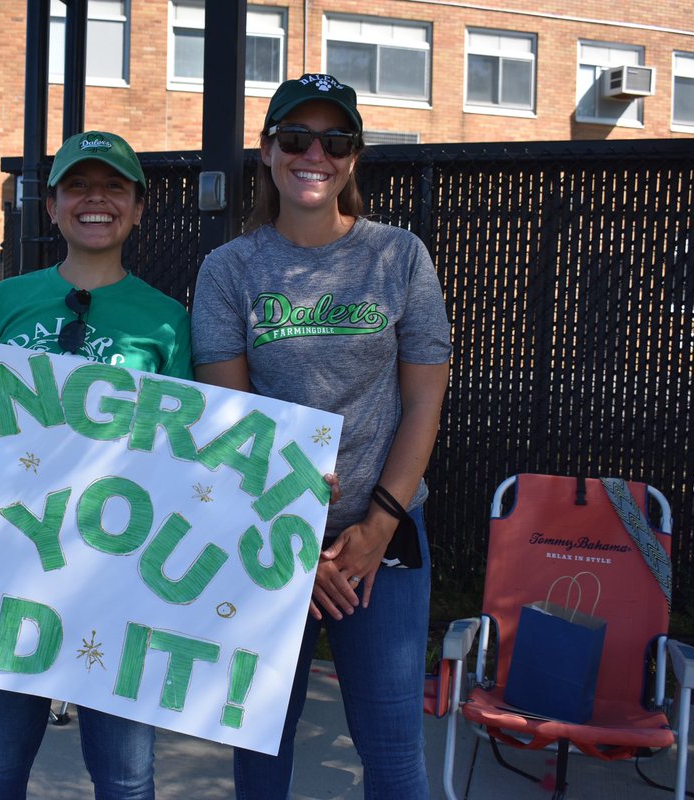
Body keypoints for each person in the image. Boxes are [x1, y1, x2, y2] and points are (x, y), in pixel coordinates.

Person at [0, 130, 192, 800]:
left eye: (114, 187)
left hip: (115, 576)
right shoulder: (5, 302)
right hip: (9, 567)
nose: (96, 199)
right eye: (78, 185)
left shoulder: (167, 322)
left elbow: (188, 455)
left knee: (127, 774)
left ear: (138, 209)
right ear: (51, 207)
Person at [191, 74, 452, 798]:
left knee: (394, 748)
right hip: (269, 535)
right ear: (268, 152)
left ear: (354, 156)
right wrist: (293, 543)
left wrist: (378, 526)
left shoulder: (399, 257)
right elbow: (230, 419)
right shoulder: (228, 270)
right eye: (296, 138)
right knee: (262, 743)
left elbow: (423, 404)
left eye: (335, 140)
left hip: (386, 532)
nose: (316, 153)